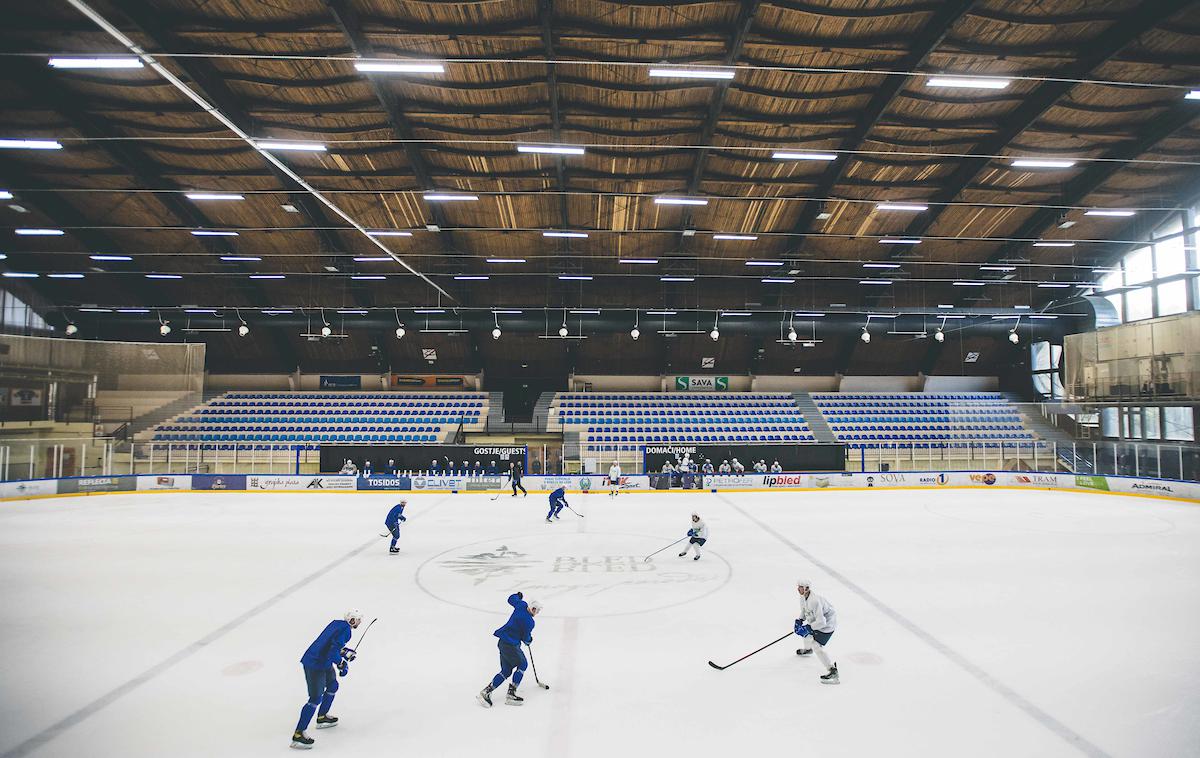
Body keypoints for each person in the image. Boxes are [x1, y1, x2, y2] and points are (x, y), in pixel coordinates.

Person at [292, 610, 362, 749]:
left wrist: (344, 652)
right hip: (315, 664)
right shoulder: (346, 630)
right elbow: (332, 651)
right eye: (358, 620)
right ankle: (298, 735)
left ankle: (322, 717)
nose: (359, 622)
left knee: (332, 686)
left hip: (322, 661)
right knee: (315, 699)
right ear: (352, 620)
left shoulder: (337, 624)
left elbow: (331, 644)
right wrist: (341, 664)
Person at [477, 593, 541, 707]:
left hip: (502, 642)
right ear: (533, 608)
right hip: (511, 645)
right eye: (537, 610)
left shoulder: (521, 605)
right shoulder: (529, 622)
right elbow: (525, 638)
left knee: (506, 670)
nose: (537, 613)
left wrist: (518, 596)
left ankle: (486, 692)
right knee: (523, 664)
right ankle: (511, 694)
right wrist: (529, 640)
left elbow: (511, 599)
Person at [795, 579, 839, 684]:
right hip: (818, 622)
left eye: (800, 587)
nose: (798, 589)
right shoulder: (803, 597)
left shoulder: (814, 601)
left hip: (827, 625)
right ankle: (807, 650)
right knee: (805, 632)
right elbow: (805, 611)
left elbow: (822, 622)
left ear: (806, 589)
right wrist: (799, 620)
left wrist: (808, 628)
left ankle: (833, 671)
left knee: (816, 645)